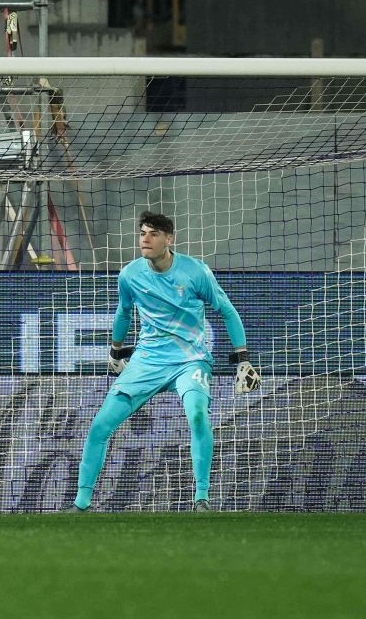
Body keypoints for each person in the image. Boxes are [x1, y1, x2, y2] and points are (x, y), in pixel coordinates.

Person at [68, 211, 260, 513]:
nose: (145, 238)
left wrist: (243, 359)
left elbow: (228, 311)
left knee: (197, 416)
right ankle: (81, 503)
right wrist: (115, 351)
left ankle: (201, 498)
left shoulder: (196, 272)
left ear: (169, 239)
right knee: (100, 425)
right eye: (142, 233)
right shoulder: (130, 274)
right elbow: (123, 312)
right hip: (147, 361)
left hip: (190, 360)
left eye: (153, 234)